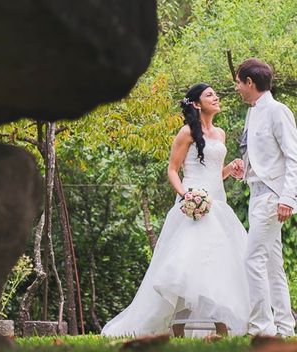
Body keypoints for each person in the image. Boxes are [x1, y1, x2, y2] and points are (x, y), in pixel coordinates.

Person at [102, 83, 249, 338]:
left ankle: (222, 328)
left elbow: (215, 173)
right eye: (209, 95)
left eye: (215, 94)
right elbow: (172, 169)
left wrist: (230, 170)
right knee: (187, 264)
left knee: (220, 263)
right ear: (195, 104)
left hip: (218, 203)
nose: (216, 97)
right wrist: (186, 195)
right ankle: (179, 327)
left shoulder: (221, 133)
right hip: (192, 204)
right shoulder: (186, 132)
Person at [233, 58, 296, 337]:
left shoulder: (277, 110)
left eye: (237, 82)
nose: (236, 88)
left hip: (272, 197)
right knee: (271, 263)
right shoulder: (252, 112)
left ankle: (262, 329)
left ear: (249, 82)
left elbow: (293, 157)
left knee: (252, 258)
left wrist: (288, 198)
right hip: (255, 194)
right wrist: (242, 168)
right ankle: (285, 327)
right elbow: (260, 155)